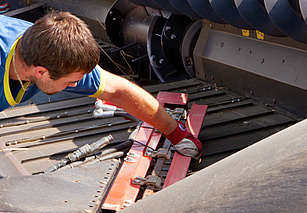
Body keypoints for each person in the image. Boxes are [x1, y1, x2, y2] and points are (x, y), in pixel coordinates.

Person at [0, 11, 202, 161]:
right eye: (71, 82)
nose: (77, 85)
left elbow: (121, 91)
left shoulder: (48, 49)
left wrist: (176, 133)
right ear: (41, 72)